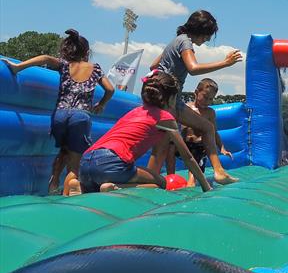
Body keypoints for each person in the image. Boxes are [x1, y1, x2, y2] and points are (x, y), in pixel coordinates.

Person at [3, 29, 115, 195]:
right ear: (87, 52)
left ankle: (53, 184)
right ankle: (69, 191)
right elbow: (110, 89)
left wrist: (18, 67)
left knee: (64, 149)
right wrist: (101, 105)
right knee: (74, 161)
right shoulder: (95, 68)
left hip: (61, 115)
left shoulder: (64, 65)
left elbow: (45, 59)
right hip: (80, 115)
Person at [77, 71, 211, 193]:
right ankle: (117, 187)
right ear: (170, 98)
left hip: (85, 162)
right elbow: (187, 157)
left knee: (98, 182)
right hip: (112, 163)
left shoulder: (135, 112)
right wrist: (206, 186)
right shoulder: (165, 117)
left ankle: (79, 186)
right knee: (161, 182)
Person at [148, 10, 241, 185]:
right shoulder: (185, 42)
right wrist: (225, 63)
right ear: (201, 30)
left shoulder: (176, 40)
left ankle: (218, 171)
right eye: (207, 36)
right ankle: (219, 172)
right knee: (200, 130)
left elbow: (154, 65)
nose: (206, 40)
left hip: (165, 97)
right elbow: (193, 68)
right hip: (168, 99)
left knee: (169, 142)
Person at [179, 78, 232, 187]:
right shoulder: (186, 108)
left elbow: (214, 132)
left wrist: (222, 148)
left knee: (198, 162)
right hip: (183, 145)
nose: (207, 101)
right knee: (171, 146)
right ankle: (176, 177)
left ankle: (192, 181)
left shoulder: (210, 113)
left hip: (200, 147)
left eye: (210, 99)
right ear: (196, 92)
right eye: (205, 97)